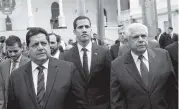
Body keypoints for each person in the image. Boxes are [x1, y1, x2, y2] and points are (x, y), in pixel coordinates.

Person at [110, 23, 178, 109]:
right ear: (128, 41)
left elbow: (173, 90)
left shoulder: (163, 55)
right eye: (136, 37)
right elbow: (117, 102)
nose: (141, 40)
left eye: (143, 36)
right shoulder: (117, 65)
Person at [7, 28, 78, 109]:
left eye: (44, 43)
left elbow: (77, 103)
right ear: (27, 48)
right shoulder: (16, 76)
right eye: (35, 44)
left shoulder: (68, 69)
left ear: (49, 45)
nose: (40, 48)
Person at [60, 16, 112, 109]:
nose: (84, 30)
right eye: (80, 27)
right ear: (74, 31)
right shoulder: (66, 56)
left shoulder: (104, 52)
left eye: (87, 27)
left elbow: (111, 81)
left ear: (91, 30)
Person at [0, 35, 30, 108]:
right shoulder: (3, 65)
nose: (12, 54)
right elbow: (1, 87)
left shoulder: (29, 63)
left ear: (22, 48)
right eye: (10, 51)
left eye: (15, 51)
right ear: (6, 49)